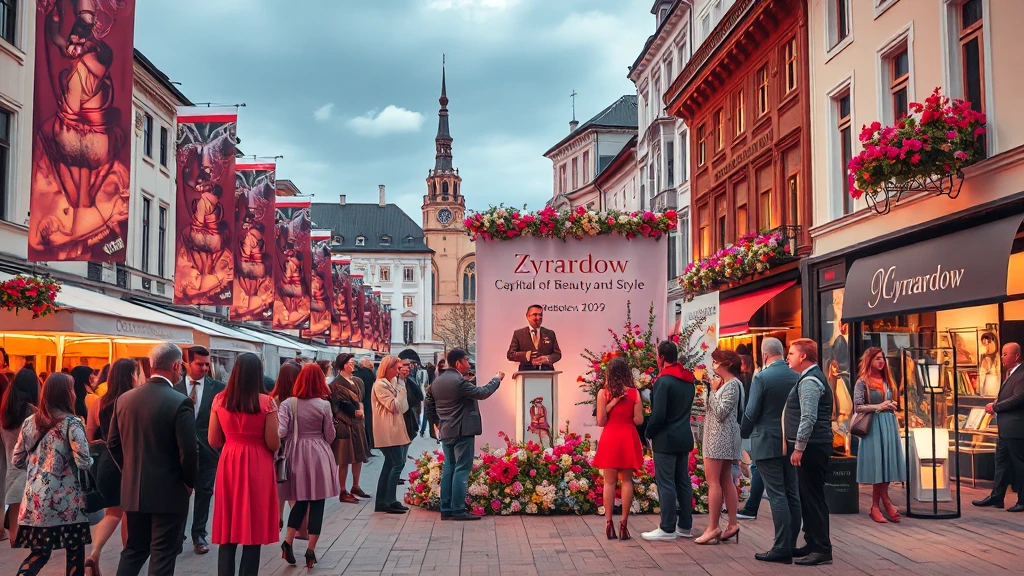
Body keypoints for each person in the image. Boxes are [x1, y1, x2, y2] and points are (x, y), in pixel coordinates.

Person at [107, 343, 198, 576]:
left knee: (134, 550)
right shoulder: (180, 402)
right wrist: (189, 482)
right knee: (163, 553)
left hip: (133, 490)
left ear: (150, 365)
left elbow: (113, 444)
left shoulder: (124, 399)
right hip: (169, 491)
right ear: (176, 366)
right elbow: (188, 450)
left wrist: (128, 470)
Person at [10, 373, 93, 575]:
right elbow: (83, 461)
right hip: (67, 503)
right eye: (71, 389)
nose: (74, 394)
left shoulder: (30, 422)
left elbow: (17, 460)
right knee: (75, 552)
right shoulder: (72, 423)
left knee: (40, 553)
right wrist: (92, 459)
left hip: (36, 500)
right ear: (65, 394)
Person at [208, 352, 280, 576]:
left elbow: (213, 440)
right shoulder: (266, 402)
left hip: (229, 459)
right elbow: (273, 442)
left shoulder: (219, 400)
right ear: (258, 373)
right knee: (253, 522)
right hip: (258, 462)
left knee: (228, 523)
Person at [741, 337, 800, 564]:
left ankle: (781, 547)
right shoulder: (796, 376)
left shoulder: (763, 377)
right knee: (792, 493)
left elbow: (751, 411)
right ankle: (791, 544)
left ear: (764, 355)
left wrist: (744, 432)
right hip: (792, 442)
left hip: (766, 441)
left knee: (777, 495)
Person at [425, 349, 502, 521]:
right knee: (461, 469)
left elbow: (428, 403)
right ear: (459, 363)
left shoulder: (437, 381)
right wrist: (496, 379)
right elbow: (482, 393)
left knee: (449, 469)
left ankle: (446, 509)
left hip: (446, 430)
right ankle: (458, 509)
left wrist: (437, 422)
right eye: (467, 360)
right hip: (462, 431)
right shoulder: (458, 381)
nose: (469, 363)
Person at [277, 363, 339, 569]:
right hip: (319, 454)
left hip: (295, 453)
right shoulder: (324, 405)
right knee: (317, 502)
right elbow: (330, 435)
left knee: (301, 499)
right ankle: (311, 550)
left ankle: (288, 541)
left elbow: (281, 432)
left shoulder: (287, 404)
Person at [84, 359, 142, 575]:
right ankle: (128, 560)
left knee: (112, 512)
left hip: (107, 463)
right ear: (131, 376)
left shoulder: (99, 402)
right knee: (129, 512)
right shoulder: (135, 400)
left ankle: (95, 552)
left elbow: (90, 436)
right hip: (129, 462)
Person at [785, 339, 834, 566]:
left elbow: (809, 417)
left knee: (813, 498)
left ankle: (822, 549)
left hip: (813, 446)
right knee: (808, 496)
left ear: (804, 356)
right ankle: (812, 542)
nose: (789, 357)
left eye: (792, 353)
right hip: (814, 445)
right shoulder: (807, 378)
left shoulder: (811, 380)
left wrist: (799, 448)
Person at [173, 345, 225, 555]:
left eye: (207, 364)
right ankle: (177, 536)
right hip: (179, 451)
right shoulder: (174, 388)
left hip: (208, 450)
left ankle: (199, 534)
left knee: (204, 492)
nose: (204, 368)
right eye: (199, 364)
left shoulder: (219, 388)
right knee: (179, 494)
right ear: (187, 363)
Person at [641, 340, 696, 542]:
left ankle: (666, 527)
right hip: (683, 436)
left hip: (666, 438)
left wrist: (648, 432)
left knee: (666, 482)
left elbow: (659, 415)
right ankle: (685, 526)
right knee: (682, 481)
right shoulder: (688, 380)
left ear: (661, 358)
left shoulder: (664, 381)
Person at [694, 349, 743, 546]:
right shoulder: (730, 384)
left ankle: (713, 526)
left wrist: (713, 392)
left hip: (719, 438)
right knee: (724, 479)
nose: (713, 365)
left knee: (713, 481)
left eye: (716, 362)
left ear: (726, 364)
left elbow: (722, 412)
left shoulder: (732, 385)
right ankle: (732, 523)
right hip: (723, 437)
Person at [591, 357, 644, 540]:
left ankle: (608, 524)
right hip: (627, 437)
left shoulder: (603, 394)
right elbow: (639, 420)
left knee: (609, 482)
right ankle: (624, 524)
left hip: (611, 437)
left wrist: (612, 404)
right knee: (627, 481)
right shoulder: (634, 393)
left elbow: (601, 421)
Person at [853, 347, 906, 524]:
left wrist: (891, 404)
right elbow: (857, 406)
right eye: (877, 358)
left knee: (887, 464)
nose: (881, 361)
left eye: (882, 358)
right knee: (878, 465)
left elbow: (888, 401)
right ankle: (886, 504)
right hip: (873, 426)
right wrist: (879, 406)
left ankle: (876, 506)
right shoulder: (862, 382)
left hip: (889, 424)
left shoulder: (887, 380)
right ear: (869, 360)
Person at [975, 342, 1024, 512]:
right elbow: (1008, 396)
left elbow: (1018, 398)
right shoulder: (1010, 373)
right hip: (1005, 428)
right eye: (1002, 354)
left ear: (1016, 356)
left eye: (1005, 354)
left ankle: (1023, 500)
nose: (1002, 357)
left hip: (1016, 428)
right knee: (1001, 462)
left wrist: (996, 407)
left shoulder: (1022, 374)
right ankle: (997, 497)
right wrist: (996, 402)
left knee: (1019, 464)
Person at [2, 369, 40, 546]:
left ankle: (14, 539)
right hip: (28, 471)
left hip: (10, 471)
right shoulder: (32, 412)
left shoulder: (5, 411)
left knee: (14, 513)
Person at [370, 356, 411, 514]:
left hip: (394, 429)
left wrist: (400, 385)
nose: (399, 371)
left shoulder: (391, 383)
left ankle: (383, 501)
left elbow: (403, 407)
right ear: (388, 368)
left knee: (390, 464)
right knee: (397, 464)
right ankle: (389, 500)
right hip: (387, 431)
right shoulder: (380, 385)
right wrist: (400, 392)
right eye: (397, 368)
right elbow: (394, 406)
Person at [328, 354, 370, 503]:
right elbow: (336, 406)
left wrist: (361, 411)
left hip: (358, 423)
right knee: (344, 458)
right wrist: (353, 413)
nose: (351, 365)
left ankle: (356, 485)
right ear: (342, 365)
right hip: (345, 424)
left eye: (352, 362)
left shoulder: (358, 381)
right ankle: (342, 489)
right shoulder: (334, 384)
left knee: (358, 456)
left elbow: (361, 399)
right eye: (348, 362)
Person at [270, 362, 302, 525]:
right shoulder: (300, 401)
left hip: (279, 450)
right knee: (295, 491)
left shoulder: (273, 400)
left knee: (280, 485)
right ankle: (297, 526)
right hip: (297, 449)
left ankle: (278, 518)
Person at [506, 305, 562, 371]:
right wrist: (527, 355)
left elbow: (557, 354)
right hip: (526, 373)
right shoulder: (519, 334)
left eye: (540, 315)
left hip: (547, 373)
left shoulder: (550, 333)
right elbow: (510, 355)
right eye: (535, 315)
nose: (538, 317)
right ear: (527, 316)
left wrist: (547, 358)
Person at [401, 360, 424, 455]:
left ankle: (403, 456)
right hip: (400, 414)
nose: (406, 373)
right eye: (404, 370)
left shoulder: (409, 380)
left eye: (408, 370)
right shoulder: (394, 382)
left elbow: (420, 395)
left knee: (409, 433)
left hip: (408, 411)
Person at [353, 358, 377, 451]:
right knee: (368, 424)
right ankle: (368, 445)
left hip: (358, 403)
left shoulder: (356, 374)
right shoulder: (369, 374)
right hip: (368, 402)